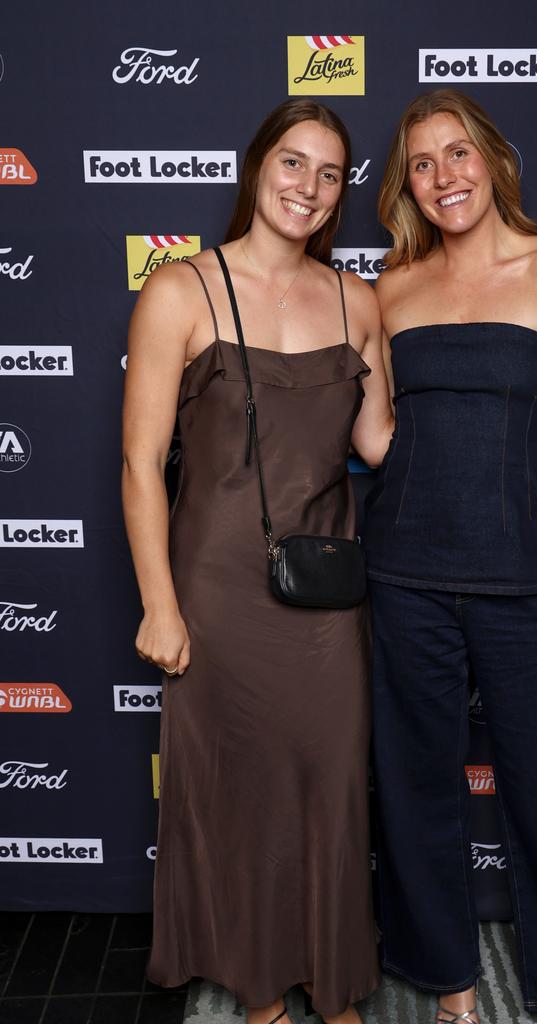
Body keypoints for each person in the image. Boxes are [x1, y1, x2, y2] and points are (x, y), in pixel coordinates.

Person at [364, 89, 537, 1024]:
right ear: (406, 185)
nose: (444, 177)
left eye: (458, 154)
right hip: (403, 573)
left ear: (493, 160)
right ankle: (449, 985)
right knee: (415, 793)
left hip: (527, 578)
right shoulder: (391, 288)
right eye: (421, 163)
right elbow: (377, 434)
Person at [122, 99, 392, 1024]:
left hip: (326, 589)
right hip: (216, 588)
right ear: (256, 169)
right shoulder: (179, 291)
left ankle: (330, 972)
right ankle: (261, 985)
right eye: (292, 163)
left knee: (327, 783)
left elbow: (383, 442)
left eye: (329, 174)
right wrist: (160, 604)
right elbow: (138, 463)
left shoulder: (361, 300)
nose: (308, 188)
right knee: (239, 792)